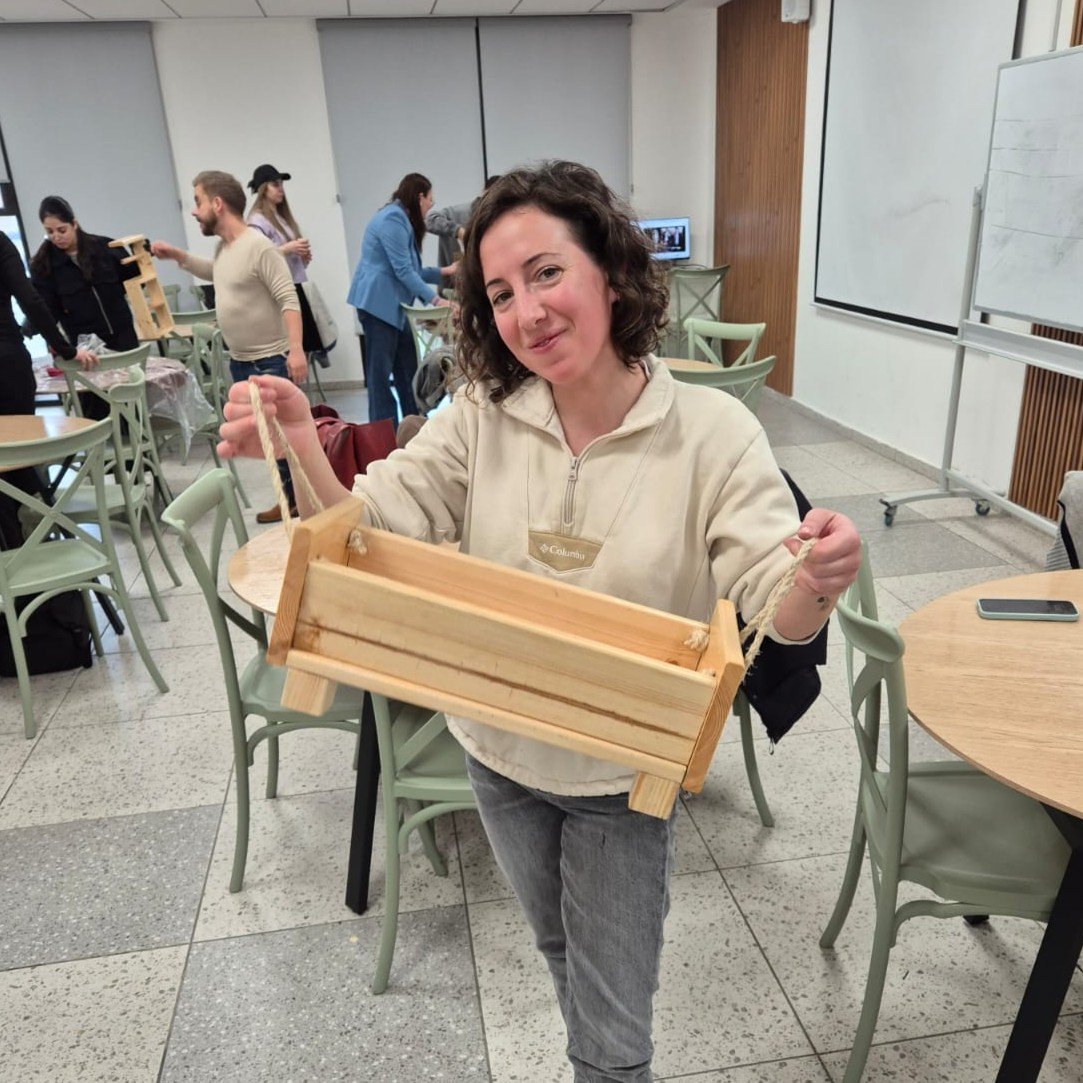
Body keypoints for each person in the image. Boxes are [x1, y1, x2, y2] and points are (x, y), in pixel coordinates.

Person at [217, 161, 861, 1082]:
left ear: (610, 270)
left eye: (547, 272)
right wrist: (298, 444)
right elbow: (373, 524)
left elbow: (769, 601)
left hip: (621, 770)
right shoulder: (482, 413)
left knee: (614, 1036)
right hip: (495, 749)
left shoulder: (714, 433)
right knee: (563, 953)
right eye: (501, 293)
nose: (527, 312)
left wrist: (816, 578)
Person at [150, 170, 305, 524]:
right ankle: (290, 499)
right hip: (243, 362)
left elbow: (289, 300)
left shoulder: (259, 247)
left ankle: (303, 501)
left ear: (217, 204)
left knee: (284, 439)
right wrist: (178, 256)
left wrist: (296, 351)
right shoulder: (225, 248)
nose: (194, 210)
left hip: (270, 360)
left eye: (198, 201)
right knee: (268, 439)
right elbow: (216, 272)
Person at [0, 230, 96, 545]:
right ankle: (37, 545)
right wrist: (65, 349)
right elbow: (29, 299)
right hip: (7, 364)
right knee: (20, 457)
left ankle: (12, 552)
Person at [346, 173, 456, 425]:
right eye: (430, 200)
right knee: (380, 376)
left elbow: (412, 270)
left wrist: (445, 272)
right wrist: (437, 301)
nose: (430, 207)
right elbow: (404, 271)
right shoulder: (393, 219)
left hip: (392, 308)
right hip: (378, 307)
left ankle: (413, 424)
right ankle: (383, 432)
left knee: (408, 369)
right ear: (419, 197)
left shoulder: (400, 219)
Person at [29, 196, 139, 354]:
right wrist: (54, 341)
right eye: (49, 232)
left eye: (61, 230)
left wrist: (143, 256)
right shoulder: (43, 266)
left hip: (124, 337)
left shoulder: (106, 248)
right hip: (85, 348)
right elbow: (48, 310)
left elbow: (134, 282)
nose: (56, 237)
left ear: (74, 224)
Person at [245, 164, 326, 362]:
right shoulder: (257, 221)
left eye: (281, 184)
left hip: (295, 286)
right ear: (263, 189)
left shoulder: (281, 218)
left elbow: (285, 258)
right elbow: (258, 259)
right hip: (278, 293)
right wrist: (289, 248)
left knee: (303, 349)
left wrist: (302, 258)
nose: (281, 189)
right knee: (291, 350)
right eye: (275, 184)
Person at [425, 175, 501, 291]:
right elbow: (429, 220)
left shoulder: (499, 220)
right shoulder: (457, 213)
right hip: (452, 291)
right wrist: (458, 231)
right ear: (484, 193)